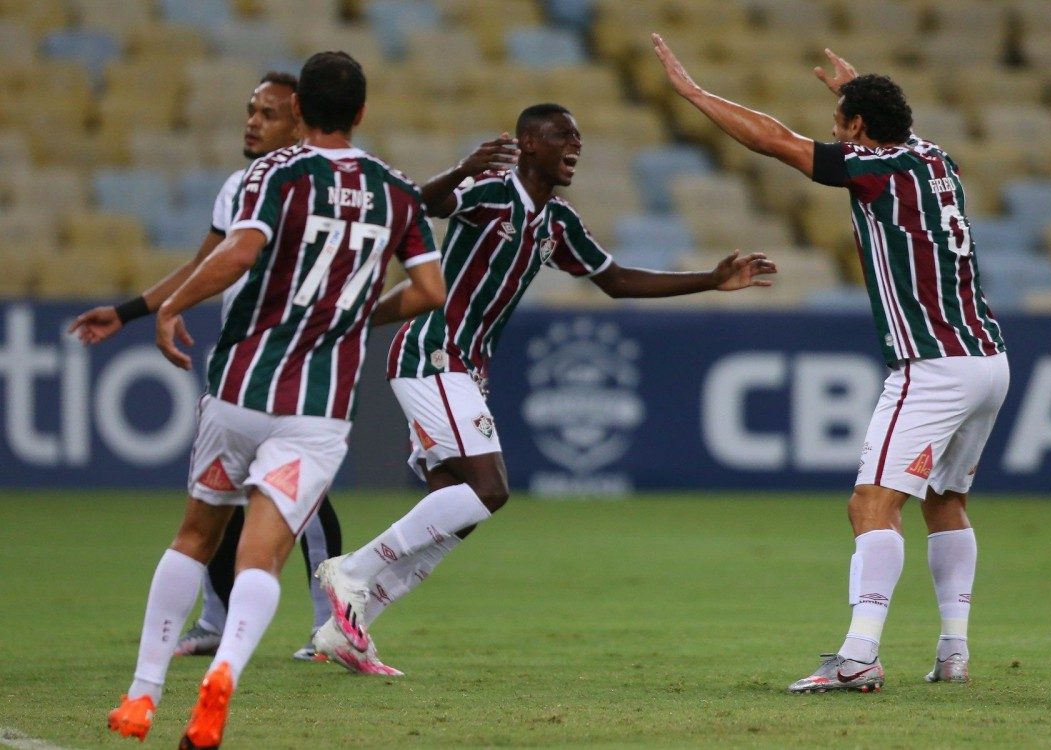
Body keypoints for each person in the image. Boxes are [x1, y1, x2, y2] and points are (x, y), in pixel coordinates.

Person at [310, 102, 779, 674]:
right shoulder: (489, 193)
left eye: (579, 138)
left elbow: (614, 280)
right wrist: (462, 167)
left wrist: (707, 280)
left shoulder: (557, 222)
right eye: (564, 137)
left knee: (454, 515)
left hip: (466, 368)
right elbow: (421, 206)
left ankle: (345, 631)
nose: (575, 147)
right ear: (529, 143)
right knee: (490, 489)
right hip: (433, 353)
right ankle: (353, 571)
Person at [104, 51, 447, 747]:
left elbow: (237, 253)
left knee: (196, 538)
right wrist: (358, 315)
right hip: (317, 409)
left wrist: (171, 307)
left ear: (301, 112)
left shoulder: (273, 174)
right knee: (262, 558)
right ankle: (225, 668)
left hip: (241, 387)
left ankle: (142, 697)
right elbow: (431, 292)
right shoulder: (396, 192)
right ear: (361, 112)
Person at [651, 35, 1008, 693]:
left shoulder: (875, 169)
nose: (832, 135)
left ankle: (859, 656)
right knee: (946, 499)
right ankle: (954, 648)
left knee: (870, 502)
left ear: (859, 130)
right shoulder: (935, 158)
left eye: (840, 125)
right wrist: (855, 92)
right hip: (989, 360)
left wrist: (696, 94)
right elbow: (893, 135)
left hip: (932, 363)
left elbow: (773, 141)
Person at [70, 72, 343, 663]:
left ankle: (333, 628)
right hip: (238, 363)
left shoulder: (326, 187)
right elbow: (205, 264)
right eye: (250, 110)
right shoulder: (238, 187)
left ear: (300, 120)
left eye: (268, 113)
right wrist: (131, 312)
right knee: (220, 494)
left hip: (297, 359)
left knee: (308, 504)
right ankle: (217, 621)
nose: (252, 121)